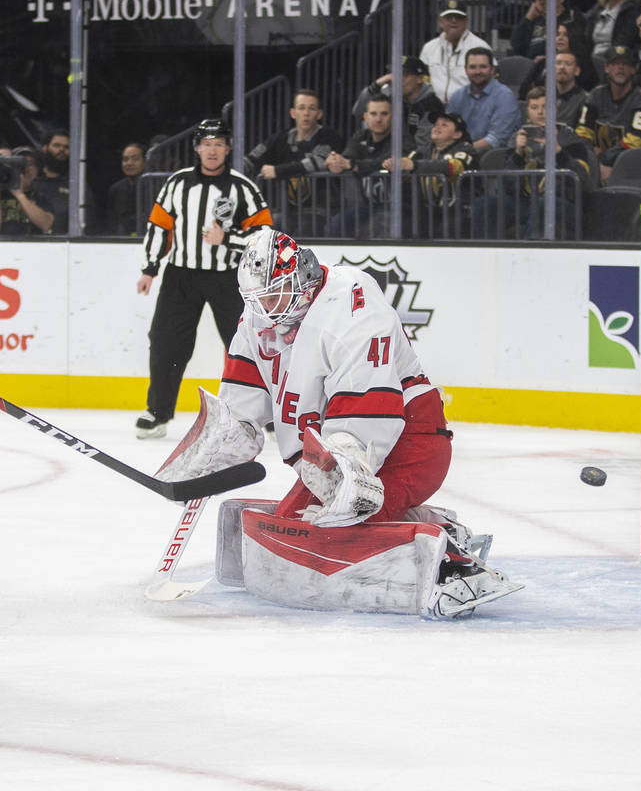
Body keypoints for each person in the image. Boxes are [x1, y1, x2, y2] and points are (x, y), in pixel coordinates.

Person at [158, 229, 519, 617]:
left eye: (273, 295)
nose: (264, 309)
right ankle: (426, 523)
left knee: (336, 528)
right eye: (256, 300)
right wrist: (216, 448)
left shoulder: (351, 306)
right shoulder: (262, 312)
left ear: (303, 281)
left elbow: (369, 408)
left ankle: (456, 562)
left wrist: (347, 480)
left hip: (407, 442)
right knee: (292, 528)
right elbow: (243, 402)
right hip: (332, 451)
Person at [135, 118, 271, 439]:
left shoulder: (243, 187)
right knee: (166, 342)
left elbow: (264, 236)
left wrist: (228, 238)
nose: (212, 150)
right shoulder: (178, 184)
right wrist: (150, 267)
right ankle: (158, 412)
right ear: (197, 148)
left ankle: (266, 414)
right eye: (207, 144)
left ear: (228, 148)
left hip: (228, 277)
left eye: (219, 144)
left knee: (245, 345)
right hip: (180, 276)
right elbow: (159, 226)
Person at [471, 87, 593, 239]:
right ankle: (485, 255)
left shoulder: (570, 138)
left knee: (545, 204)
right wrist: (517, 155)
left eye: (545, 107)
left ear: (554, 110)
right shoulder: (519, 137)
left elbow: (580, 180)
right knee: (485, 203)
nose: (540, 112)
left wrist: (559, 152)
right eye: (534, 107)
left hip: (562, 203)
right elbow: (505, 187)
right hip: (526, 202)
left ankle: (531, 255)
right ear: (527, 111)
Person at [246, 88, 345, 235]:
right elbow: (252, 159)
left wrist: (277, 171)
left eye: (311, 108)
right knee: (261, 229)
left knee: (304, 230)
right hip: (284, 210)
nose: (306, 113)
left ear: (319, 114)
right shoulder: (279, 138)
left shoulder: (329, 136)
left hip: (320, 210)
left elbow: (317, 162)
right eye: (301, 108)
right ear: (293, 113)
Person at [382, 110, 476, 238]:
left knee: (445, 230)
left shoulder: (465, 149)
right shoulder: (424, 150)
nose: (437, 127)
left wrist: (414, 165)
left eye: (444, 125)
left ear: (457, 134)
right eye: (436, 124)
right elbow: (406, 165)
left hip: (461, 210)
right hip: (428, 210)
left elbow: (455, 166)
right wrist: (392, 166)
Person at [574, 44, 641, 181]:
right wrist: (593, 160)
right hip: (595, 162)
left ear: (633, 70)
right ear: (607, 68)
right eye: (615, 64)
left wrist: (602, 158)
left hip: (629, 164)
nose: (620, 68)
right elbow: (582, 132)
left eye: (625, 64)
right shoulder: (596, 95)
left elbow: (636, 141)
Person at [323, 94, 395, 238]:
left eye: (384, 114)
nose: (378, 119)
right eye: (373, 114)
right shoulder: (361, 136)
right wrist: (336, 161)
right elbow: (348, 156)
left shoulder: (401, 138)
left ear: (393, 116)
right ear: (366, 117)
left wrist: (351, 164)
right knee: (336, 224)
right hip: (368, 206)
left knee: (376, 224)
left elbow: (383, 161)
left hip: (398, 206)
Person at [349, 56, 442, 152]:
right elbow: (358, 113)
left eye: (403, 75)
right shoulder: (390, 94)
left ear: (419, 79)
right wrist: (375, 86)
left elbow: (423, 146)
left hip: (409, 158)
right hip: (385, 151)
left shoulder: (431, 105)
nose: (396, 80)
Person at [445, 47, 522, 153]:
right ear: (466, 70)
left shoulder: (504, 96)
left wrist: (462, 150)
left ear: (492, 70)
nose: (477, 72)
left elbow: (495, 140)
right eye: (472, 67)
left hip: (493, 159)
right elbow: (447, 131)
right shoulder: (457, 96)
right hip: (461, 155)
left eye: (483, 67)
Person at [0, 146, 55, 236]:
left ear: (37, 169)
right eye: (20, 165)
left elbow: (46, 225)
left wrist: (19, 194)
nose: (25, 169)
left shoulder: (41, 195)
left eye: (30, 164)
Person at [418, 0, 490, 103]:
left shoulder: (481, 47)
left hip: (469, 107)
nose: (453, 21)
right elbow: (423, 80)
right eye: (449, 18)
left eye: (458, 18)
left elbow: (489, 85)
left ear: (466, 22)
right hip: (436, 109)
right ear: (441, 21)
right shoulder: (429, 47)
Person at [511, 0, 588, 60]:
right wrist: (528, 18)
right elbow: (517, 46)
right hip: (533, 66)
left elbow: (577, 47)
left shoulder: (573, 17)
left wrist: (549, 60)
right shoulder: (535, 20)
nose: (541, 2)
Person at [584, 0, 641, 65]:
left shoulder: (632, 11)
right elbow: (586, 38)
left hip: (617, 59)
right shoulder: (597, 10)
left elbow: (624, 41)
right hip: (592, 59)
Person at [102, 141, 145, 236]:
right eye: (125, 159)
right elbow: (112, 222)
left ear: (144, 162)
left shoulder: (154, 186)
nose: (129, 163)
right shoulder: (115, 189)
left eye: (135, 159)